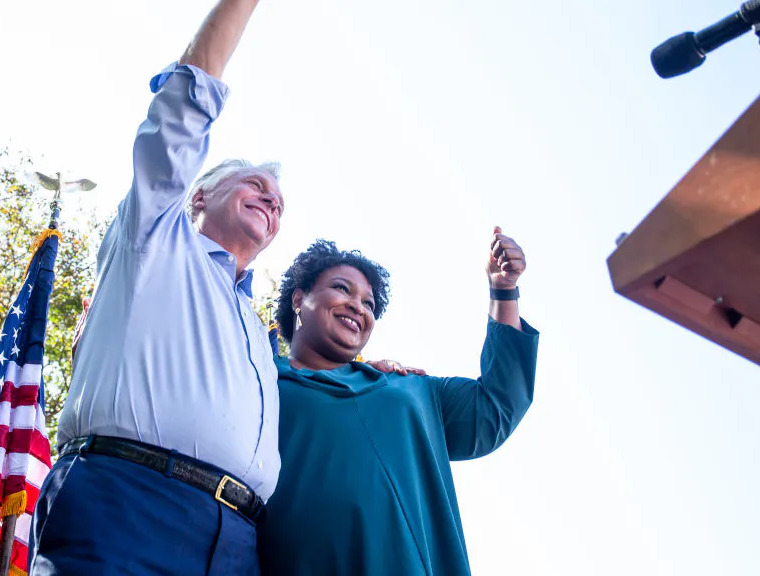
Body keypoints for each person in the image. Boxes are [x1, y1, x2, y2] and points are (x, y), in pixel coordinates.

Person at [29, 2, 282, 574]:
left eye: (278, 202)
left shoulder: (259, 336)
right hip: (127, 502)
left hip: (237, 542)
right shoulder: (155, 236)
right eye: (256, 186)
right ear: (198, 196)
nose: (270, 200)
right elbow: (180, 113)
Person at [257, 231, 540, 575]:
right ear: (299, 299)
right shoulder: (260, 379)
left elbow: (496, 406)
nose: (357, 306)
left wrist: (503, 288)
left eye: (369, 304)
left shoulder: (410, 389)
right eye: (342, 289)